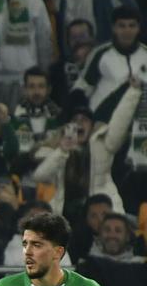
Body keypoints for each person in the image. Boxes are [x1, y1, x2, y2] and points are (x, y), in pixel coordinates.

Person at [32, 80, 142, 223]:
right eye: (75, 119)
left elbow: (120, 122)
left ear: (92, 127)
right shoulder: (57, 148)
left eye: (84, 120)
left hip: (100, 215)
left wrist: (133, 91)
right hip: (65, 216)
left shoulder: (102, 143)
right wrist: (62, 151)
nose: (79, 123)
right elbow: (40, 176)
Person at [0, 67, 63, 203]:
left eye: (41, 87)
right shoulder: (13, 120)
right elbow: (9, 155)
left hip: (52, 186)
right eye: (31, 87)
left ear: (48, 89)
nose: (36, 92)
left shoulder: (59, 119)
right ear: (25, 89)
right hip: (21, 185)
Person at [72, 5, 147, 123]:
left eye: (132, 26)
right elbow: (82, 87)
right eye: (122, 26)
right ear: (114, 28)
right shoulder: (100, 53)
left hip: (139, 121)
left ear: (138, 28)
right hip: (103, 121)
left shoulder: (145, 53)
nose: (127, 31)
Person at [49, 19, 96, 114]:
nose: (78, 41)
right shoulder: (56, 70)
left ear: (92, 38)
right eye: (73, 37)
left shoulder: (102, 65)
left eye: (82, 36)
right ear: (68, 41)